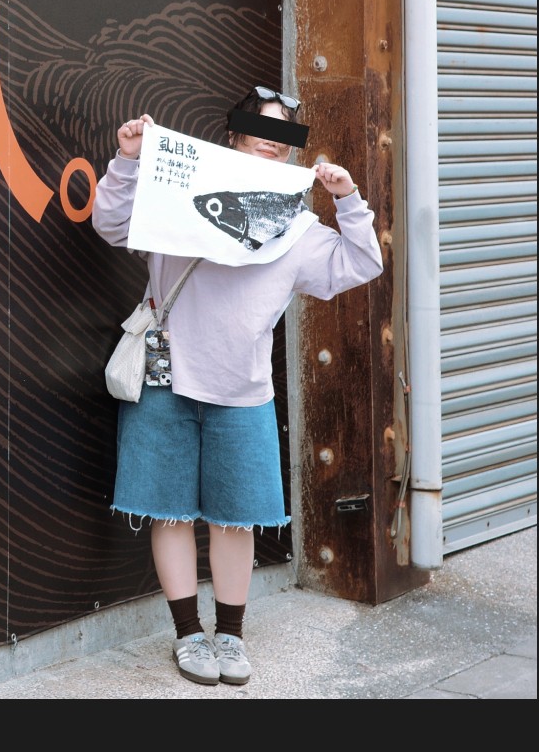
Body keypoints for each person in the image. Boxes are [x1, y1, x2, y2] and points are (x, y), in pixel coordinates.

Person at [89, 85, 381, 688]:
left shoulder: (298, 229)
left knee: (235, 520)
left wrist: (347, 198)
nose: (270, 143)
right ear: (233, 136)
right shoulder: (178, 196)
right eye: (260, 130)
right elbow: (111, 223)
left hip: (244, 390)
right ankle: (187, 634)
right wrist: (128, 160)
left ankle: (231, 636)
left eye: (283, 135)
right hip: (165, 379)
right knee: (168, 512)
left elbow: (362, 263)